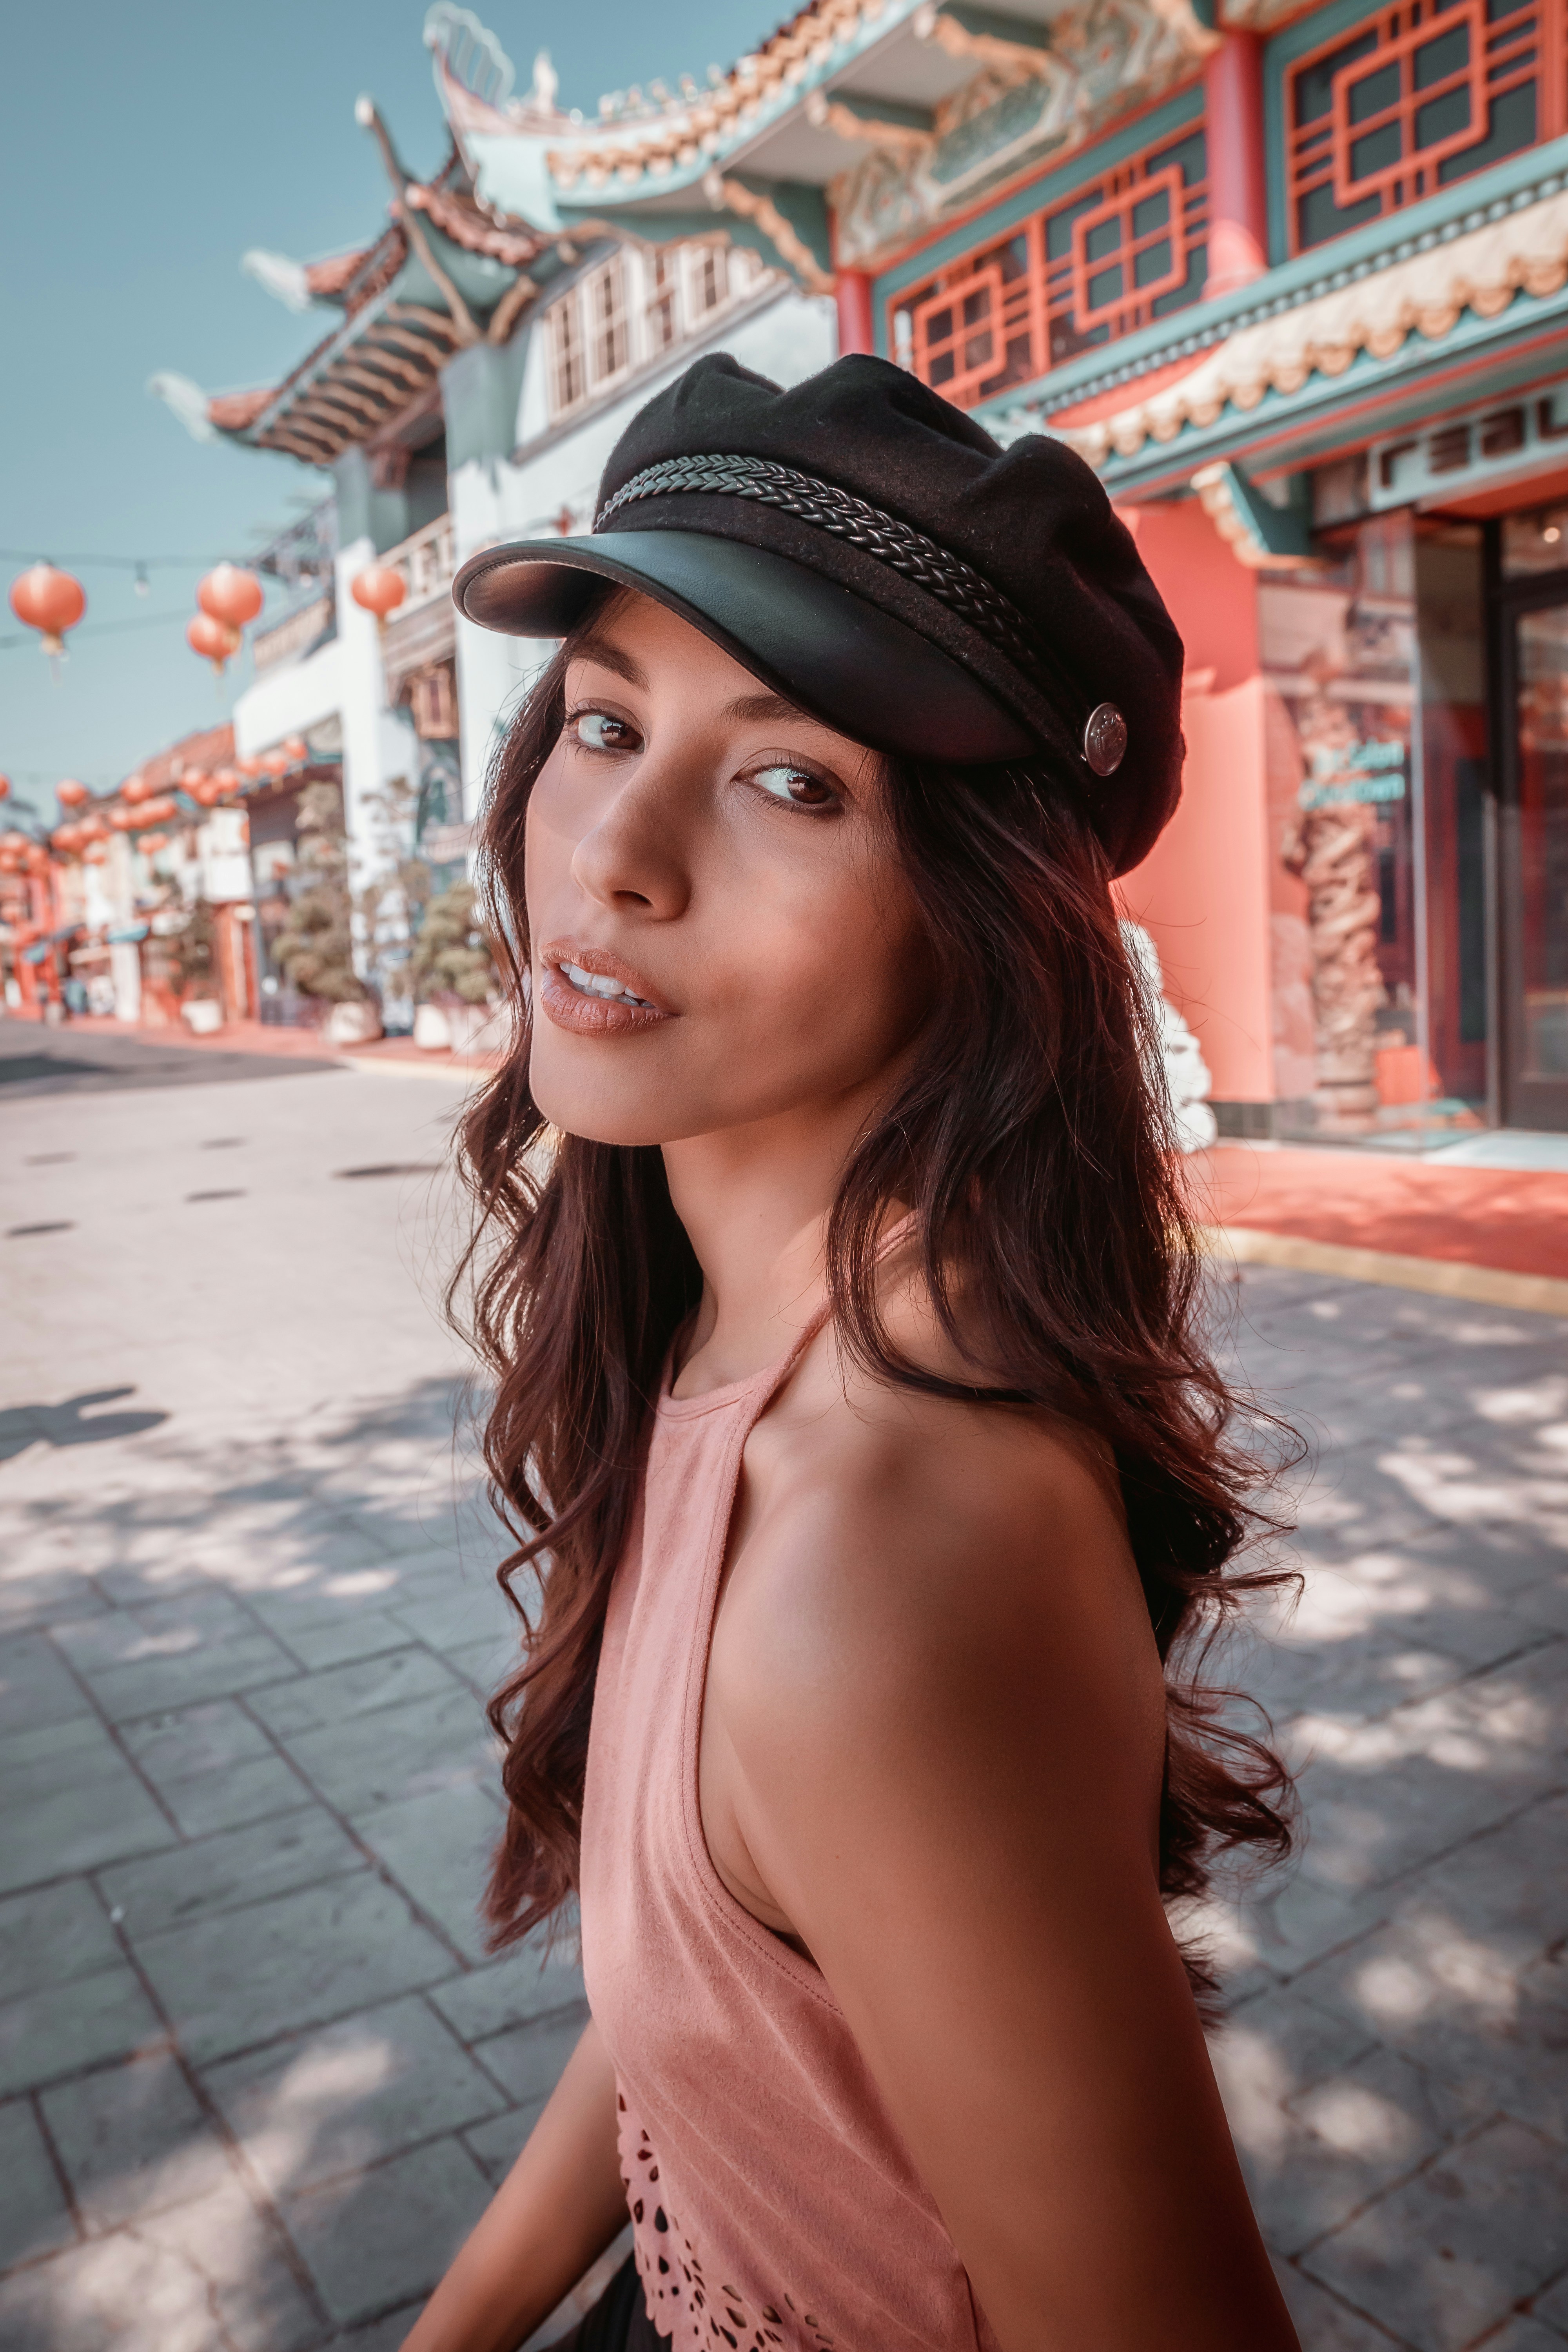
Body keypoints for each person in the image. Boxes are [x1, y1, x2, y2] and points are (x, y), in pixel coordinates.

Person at [406, 355, 1300, 2352]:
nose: (613, 851)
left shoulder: (875, 1565)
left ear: (978, 922)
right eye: (606, 721)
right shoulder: (727, 1326)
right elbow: (706, 2007)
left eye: (794, 777)